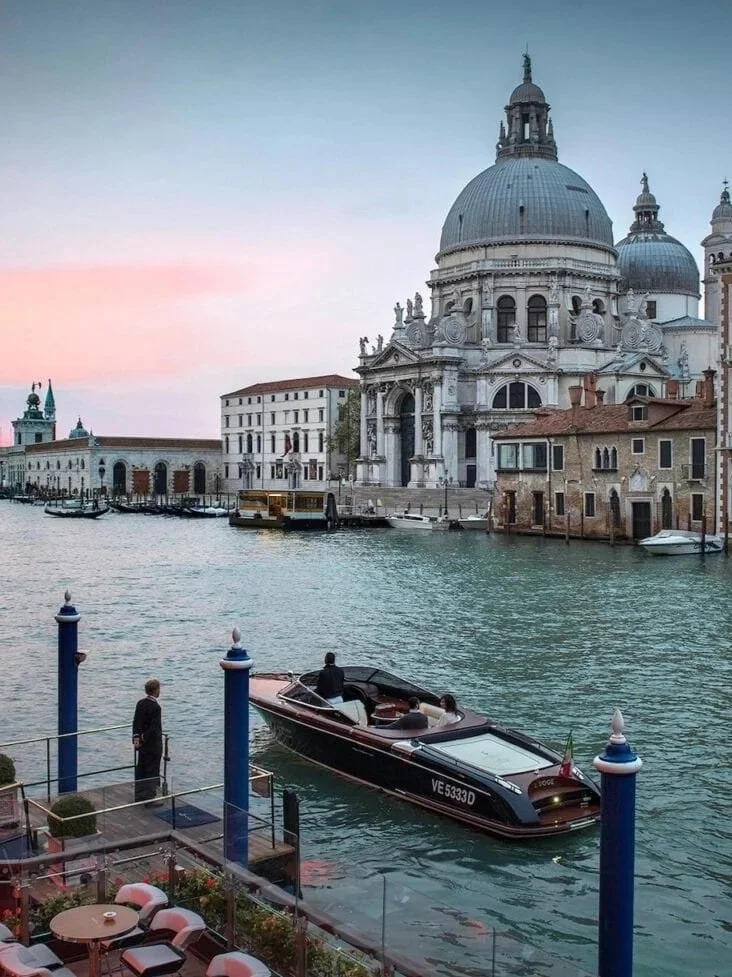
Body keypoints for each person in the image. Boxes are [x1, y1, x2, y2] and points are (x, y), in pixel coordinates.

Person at [133, 678, 163, 804]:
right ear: (155, 691)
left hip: (141, 744)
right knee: (152, 769)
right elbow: (154, 727)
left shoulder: (140, 703)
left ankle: (139, 794)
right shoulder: (156, 707)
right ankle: (149, 797)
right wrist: (145, 737)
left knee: (141, 767)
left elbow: (136, 722)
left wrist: (137, 738)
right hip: (152, 744)